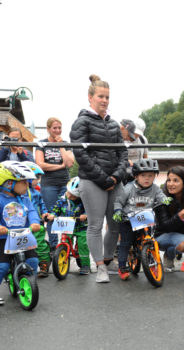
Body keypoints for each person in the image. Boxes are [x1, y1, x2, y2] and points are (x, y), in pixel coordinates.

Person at [69, 74, 128, 283]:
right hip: (92, 181)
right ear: (90, 97)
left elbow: (123, 153)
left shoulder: (114, 124)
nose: (105, 100)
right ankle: (100, 267)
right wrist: (104, 179)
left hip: (114, 180)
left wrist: (116, 176)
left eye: (107, 97)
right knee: (95, 225)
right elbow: (81, 155)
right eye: (101, 96)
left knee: (115, 224)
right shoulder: (81, 122)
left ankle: (108, 258)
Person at [113, 159, 171, 280]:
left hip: (146, 219)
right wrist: (117, 211)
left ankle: (150, 260)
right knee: (125, 243)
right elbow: (118, 201)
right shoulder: (129, 188)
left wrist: (165, 199)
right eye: (143, 175)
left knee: (149, 239)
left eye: (150, 176)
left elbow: (161, 196)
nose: (147, 178)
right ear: (136, 176)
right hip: (128, 220)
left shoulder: (155, 188)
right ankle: (122, 266)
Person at [0, 161, 40, 305]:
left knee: (33, 261)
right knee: (2, 267)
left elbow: (32, 211)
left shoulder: (24, 198)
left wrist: (35, 222)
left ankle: (29, 282)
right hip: (4, 238)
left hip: (23, 236)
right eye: (23, 182)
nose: (27, 185)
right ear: (8, 183)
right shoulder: (0, 199)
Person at [35, 117, 74, 249]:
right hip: (49, 184)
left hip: (64, 183)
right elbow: (40, 165)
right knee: (51, 214)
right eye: (54, 128)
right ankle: (53, 246)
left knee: (67, 213)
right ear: (48, 129)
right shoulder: (42, 144)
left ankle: (66, 245)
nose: (57, 130)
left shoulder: (66, 143)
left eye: (59, 128)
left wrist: (61, 146)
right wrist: (59, 166)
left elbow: (69, 163)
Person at [154, 166, 184, 272]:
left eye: (176, 180)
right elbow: (165, 226)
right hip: (163, 234)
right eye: (169, 180)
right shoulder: (162, 196)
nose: (171, 184)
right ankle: (169, 255)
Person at [47, 177, 90, 275]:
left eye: (73, 196)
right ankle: (63, 257)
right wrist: (53, 214)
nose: (69, 196)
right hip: (67, 226)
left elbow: (90, 209)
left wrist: (85, 215)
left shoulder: (84, 201)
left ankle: (85, 265)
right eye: (68, 192)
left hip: (81, 227)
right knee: (64, 241)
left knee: (83, 245)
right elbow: (57, 207)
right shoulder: (63, 198)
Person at [23, 161, 51, 278]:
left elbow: (41, 204)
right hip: (22, 224)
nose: (38, 180)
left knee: (39, 244)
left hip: (36, 223)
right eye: (36, 177)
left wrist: (44, 213)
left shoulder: (36, 192)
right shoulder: (20, 193)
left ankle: (44, 264)